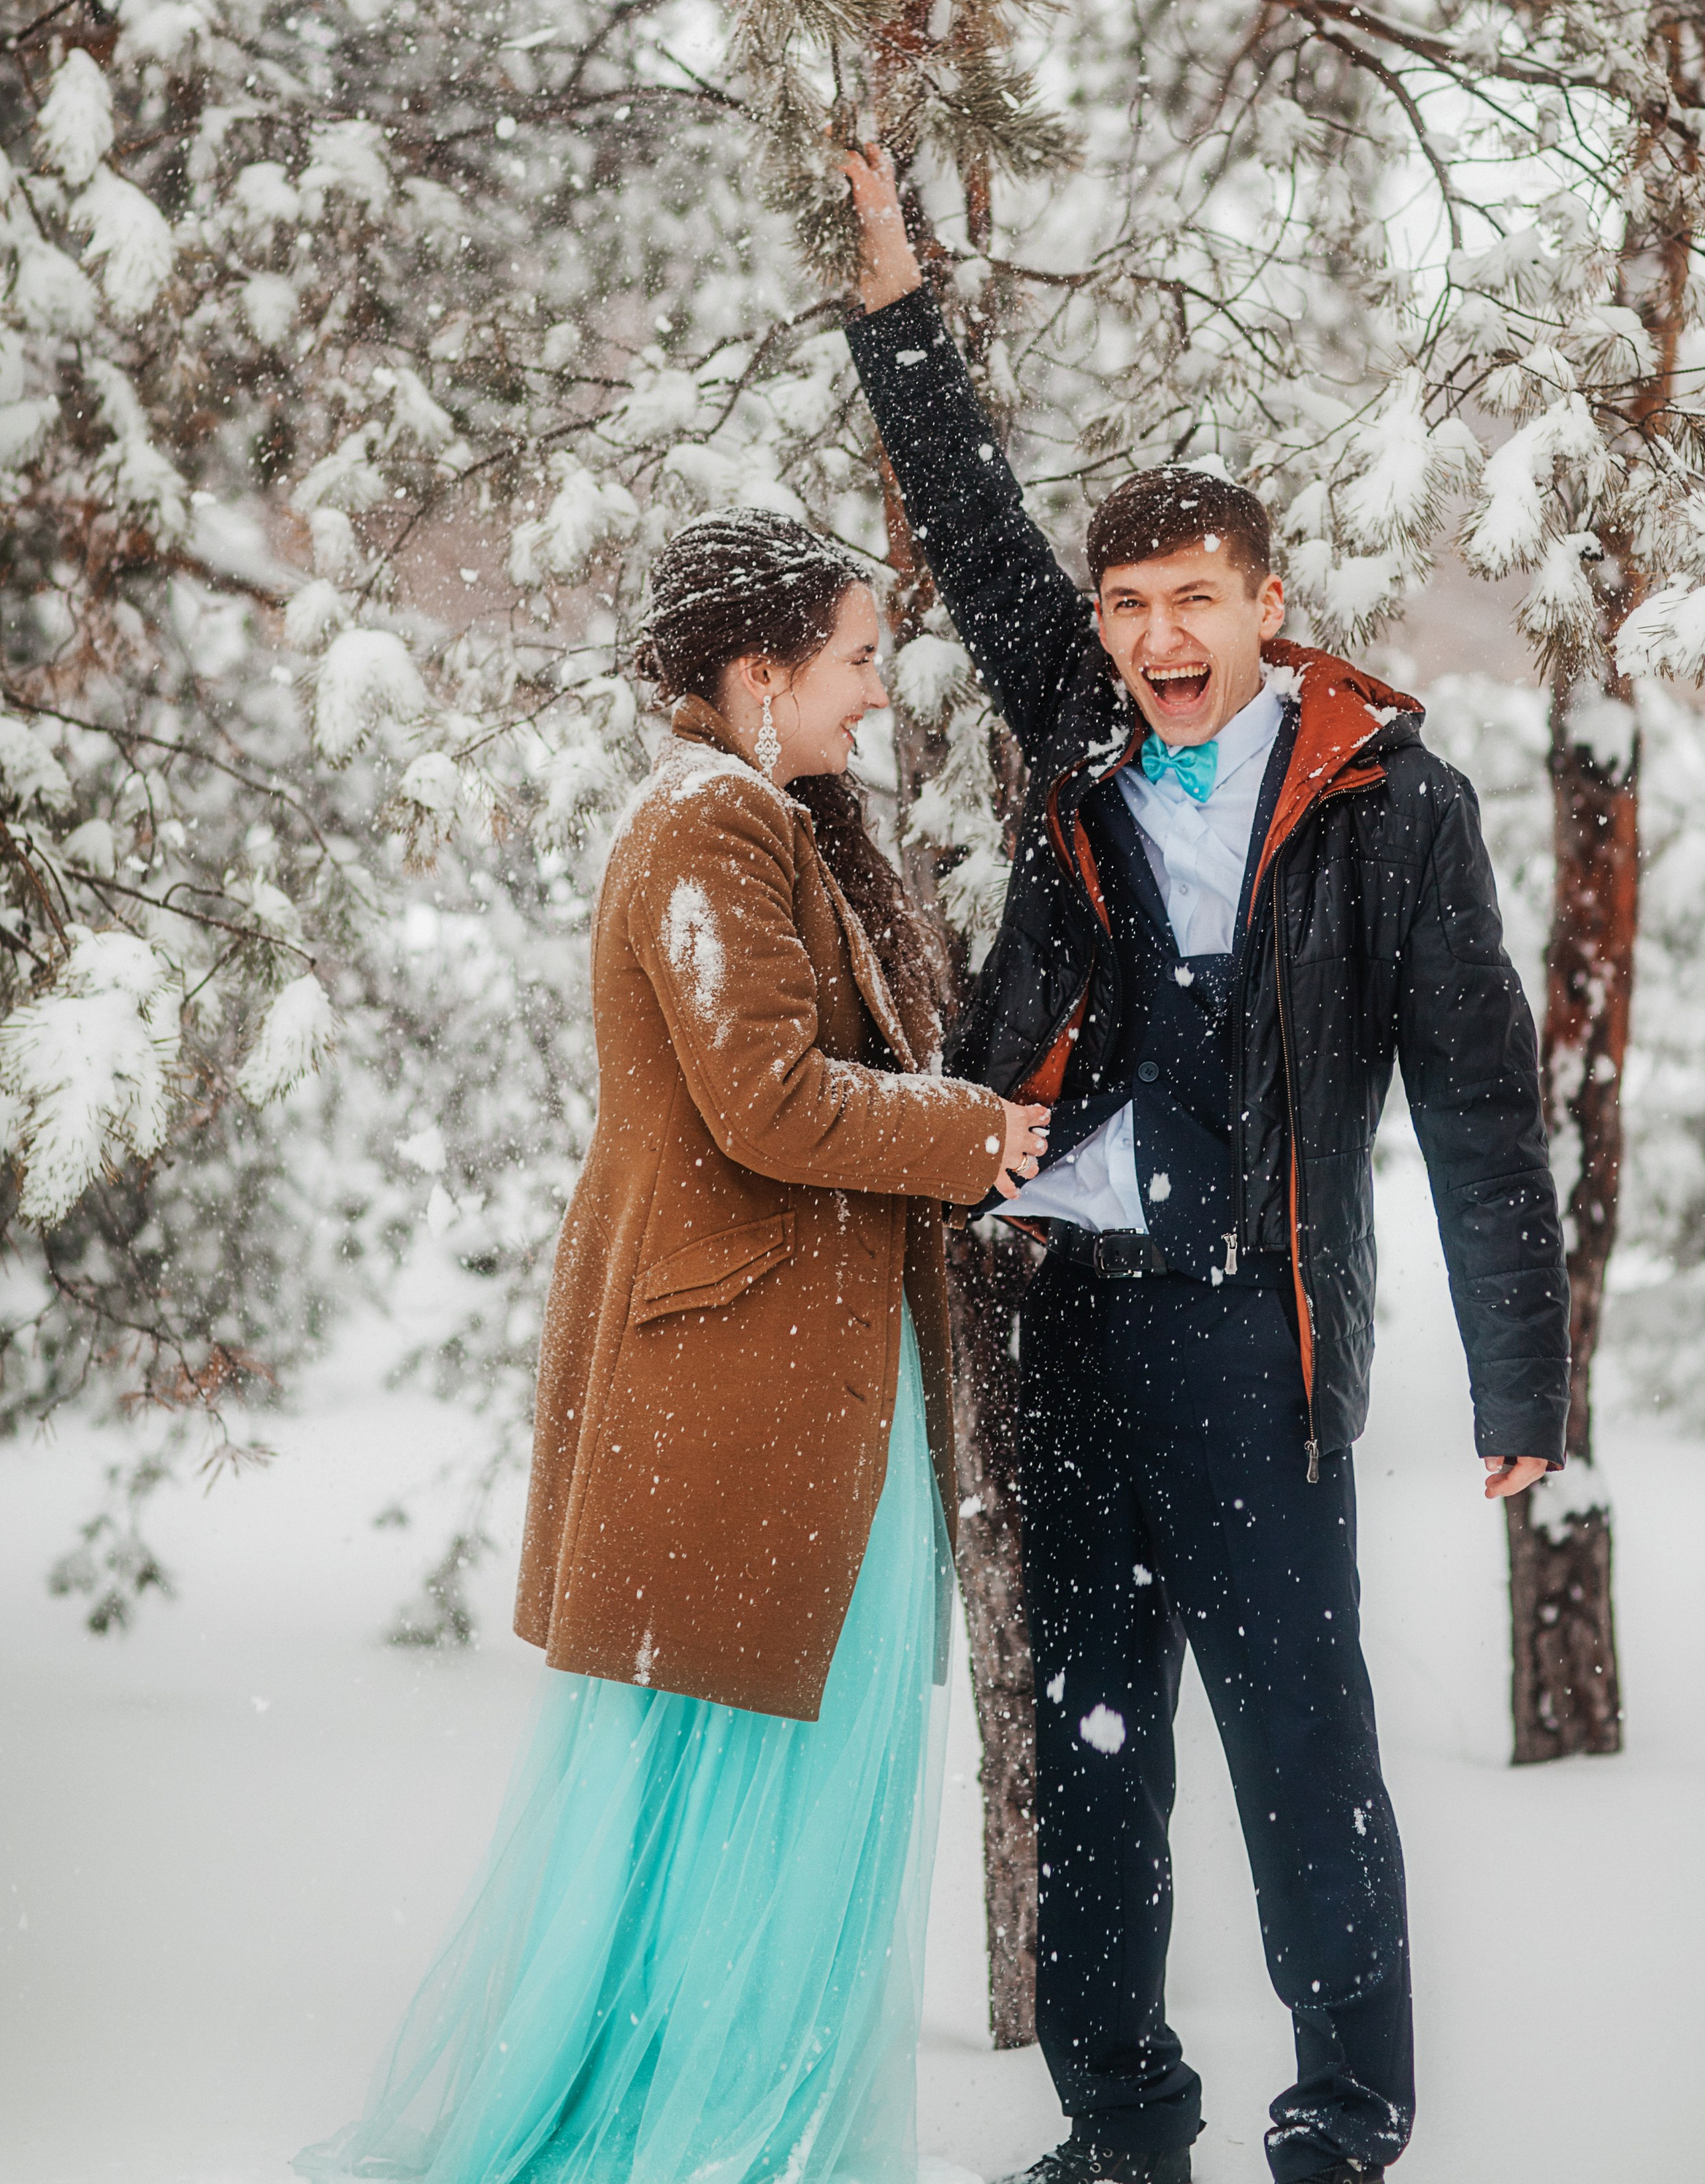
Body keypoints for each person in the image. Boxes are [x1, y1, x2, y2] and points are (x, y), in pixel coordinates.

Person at [835, 145, 1571, 2184]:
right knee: (1087, 1762)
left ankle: (1341, 2119)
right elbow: (968, 519)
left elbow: (1484, 1109)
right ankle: (1120, 2125)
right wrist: (893, 296)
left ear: (1268, 607)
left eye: (1196, 604)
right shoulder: (1076, 730)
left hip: (1260, 1336)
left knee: (1303, 1750)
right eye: (1130, 606)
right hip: (1067, 1324)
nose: (1161, 638)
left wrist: (1526, 1387)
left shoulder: (1390, 807)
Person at [296, 509, 1050, 2184]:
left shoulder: (749, 813)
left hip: (777, 1388)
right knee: (749, 1795)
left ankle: (695, 2130)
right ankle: (708, 2144)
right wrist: (972, 1135)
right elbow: (768, 1102)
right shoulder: (712, 823)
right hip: (749, 1397)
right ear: (758, 670)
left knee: (730, 1788)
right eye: (853, 660)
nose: (872, 695)